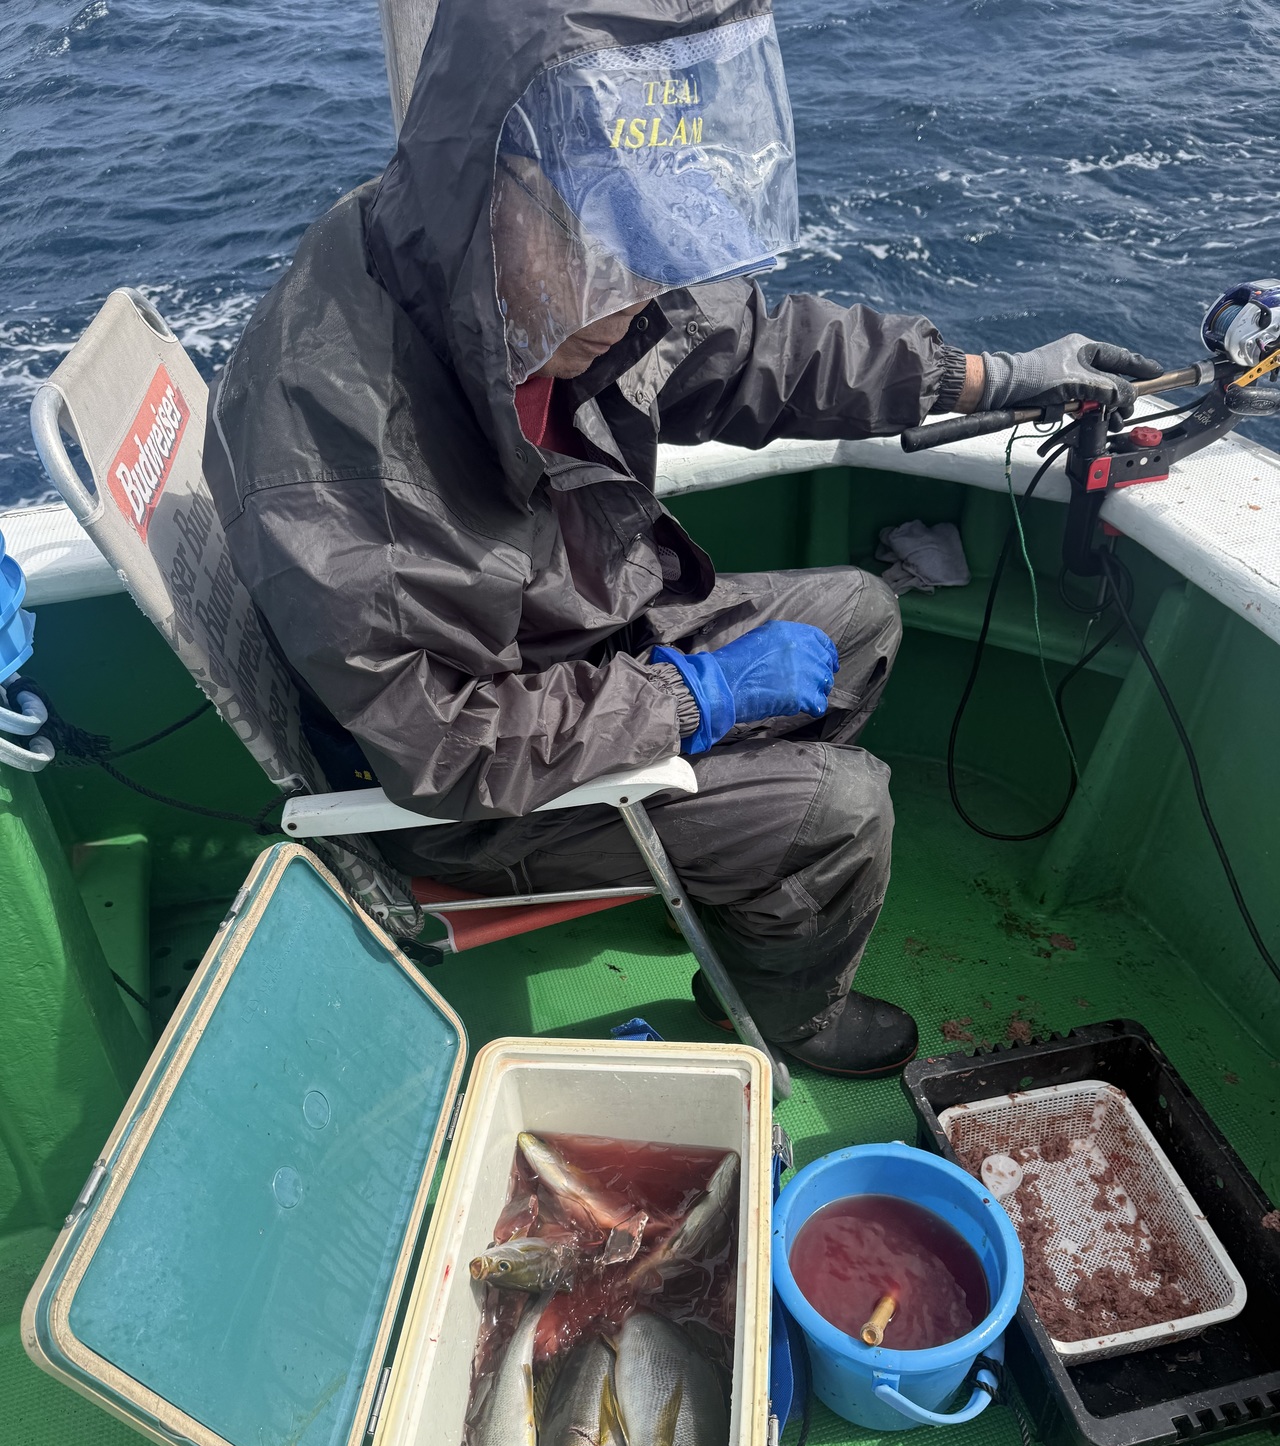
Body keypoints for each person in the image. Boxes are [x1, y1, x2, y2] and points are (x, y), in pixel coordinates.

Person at [205, 0, 1161, 1076]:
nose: (635, 291)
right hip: (470, 789)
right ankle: (784, 1012)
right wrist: (688, 700)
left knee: (860, 616)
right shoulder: (340, 452)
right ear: (489, 187)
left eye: (647, 238)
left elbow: (748, 350)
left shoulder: (508, 268)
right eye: (600, 244)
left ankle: (738, 878)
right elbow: (443, 747)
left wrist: (985, 377)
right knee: (842, 809)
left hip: (559, 644)